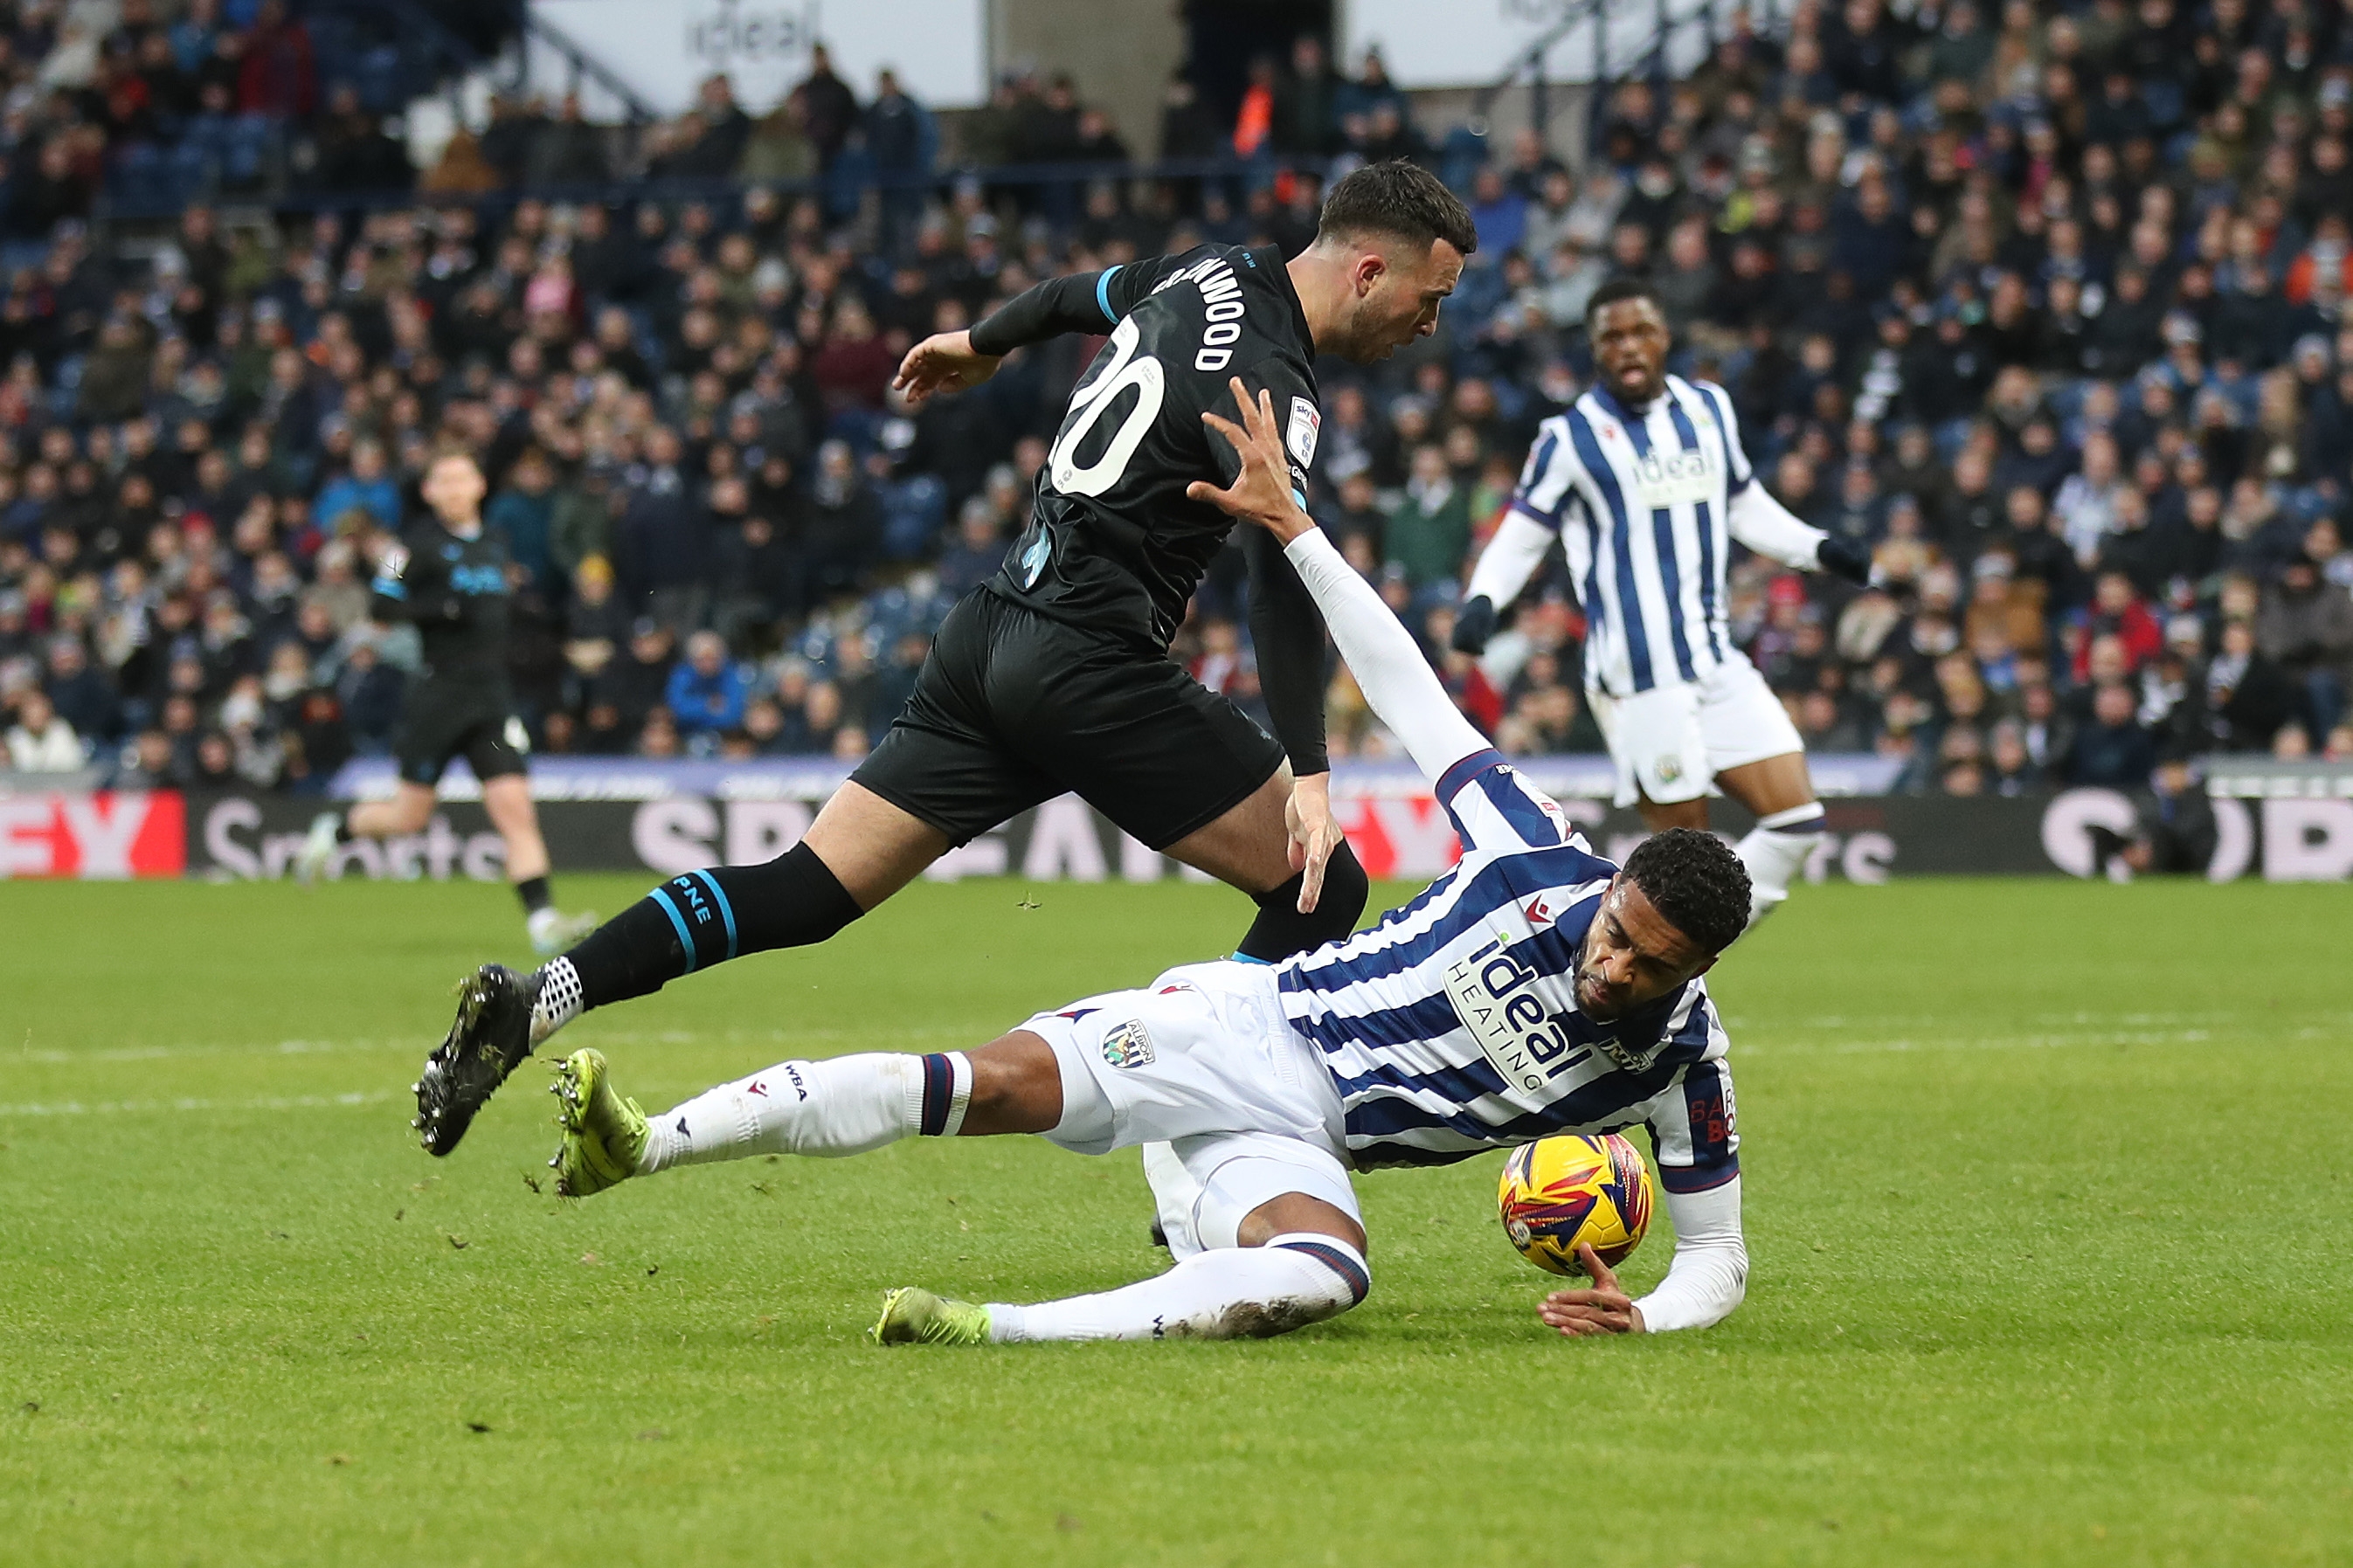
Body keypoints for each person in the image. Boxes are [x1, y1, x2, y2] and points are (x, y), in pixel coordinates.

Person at [543, 383, 1750, 1346]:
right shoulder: (1533, 851)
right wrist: (1300, 532)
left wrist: (1646, 1310)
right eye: (1617, 930)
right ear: (1612, 888)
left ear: (1695, 969)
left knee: (1327, 1276)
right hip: (1242, 1024)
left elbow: (1716, 1258)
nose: (1614, 965)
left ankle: (988, 1326)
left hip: (1299, 1148)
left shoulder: (1686, 1062)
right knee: (982, 1086)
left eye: (1650, 965)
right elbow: (1411, 691)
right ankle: (642, 1141)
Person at [409, 161, 1477, 1158]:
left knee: (806, 888)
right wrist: (1313, 773)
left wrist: (980, 337)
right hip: (1089, 663)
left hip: (993, 632)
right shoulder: (1271, 380)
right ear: (1368, 268)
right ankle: (1206, 1140)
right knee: (1323, 881)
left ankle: (539, 995)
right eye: (1426, 300)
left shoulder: (1213, 271)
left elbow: (1078, 292)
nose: (1427, 327)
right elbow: (1279, 566)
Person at [1450, 279, 1875, 925]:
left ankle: (1671, 959)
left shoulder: (1708, 409)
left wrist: (1815, 548)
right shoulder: (1569, 437)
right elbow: (1522, 530)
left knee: (1797, 821)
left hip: (1715, 660)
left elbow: (1741, 503)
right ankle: (1651, 982)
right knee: (1682, 862)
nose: (1627, 347)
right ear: (1594, 349)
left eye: (1639, 332)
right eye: (1611, 337)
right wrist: (1484, 598)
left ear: (1664, 337)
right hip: (1638, 676)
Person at [293, 450, 595, 956]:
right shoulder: (406, 546)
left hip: (491, 697)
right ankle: (334, 828)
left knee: (516, 810)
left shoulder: (499, 543)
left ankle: (543, 921)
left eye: (462, 479)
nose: (454, 490)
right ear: (430, 492)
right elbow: (381, 605)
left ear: (479, 485)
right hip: (437, 696)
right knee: (409, 817)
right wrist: (441, 609)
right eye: (442, 481)